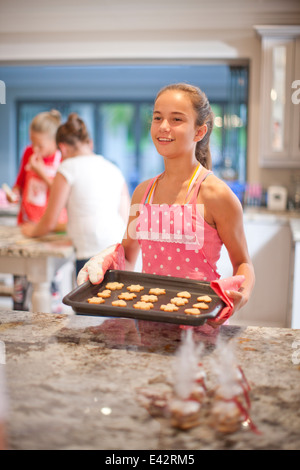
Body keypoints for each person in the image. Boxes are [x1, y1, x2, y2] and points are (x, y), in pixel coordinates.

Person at [76, 83, 255, 326]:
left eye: (177, 119)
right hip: (146, 319)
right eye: (157, 117)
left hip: (198, 322)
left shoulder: (216, 195)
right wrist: (107, 259)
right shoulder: (143, 193)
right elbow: (129, 255)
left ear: (199, 132)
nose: (163, 127)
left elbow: (243, 263)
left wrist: (241, 295)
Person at [21, 113, 130, 276]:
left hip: (90, 252)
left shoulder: (66, 168)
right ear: (89, 143)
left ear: (63, 148)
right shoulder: (113, 169)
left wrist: (31, 231)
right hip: (117, 250)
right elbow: (126, 217)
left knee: (86, 301)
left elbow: (49, 221)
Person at [6, 110, 67, 311]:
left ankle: (52, 318)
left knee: (48, 281)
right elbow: (20, 183)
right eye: (32, 143)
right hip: (26, 224)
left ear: (54, 142)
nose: (35, 148)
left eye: (40, 145)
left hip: (49, 230)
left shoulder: (62, 159)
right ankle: (18, 315)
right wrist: (14, 193)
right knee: (20, 280)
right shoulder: (28, 153)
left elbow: (61, 193)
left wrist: (40, 171)